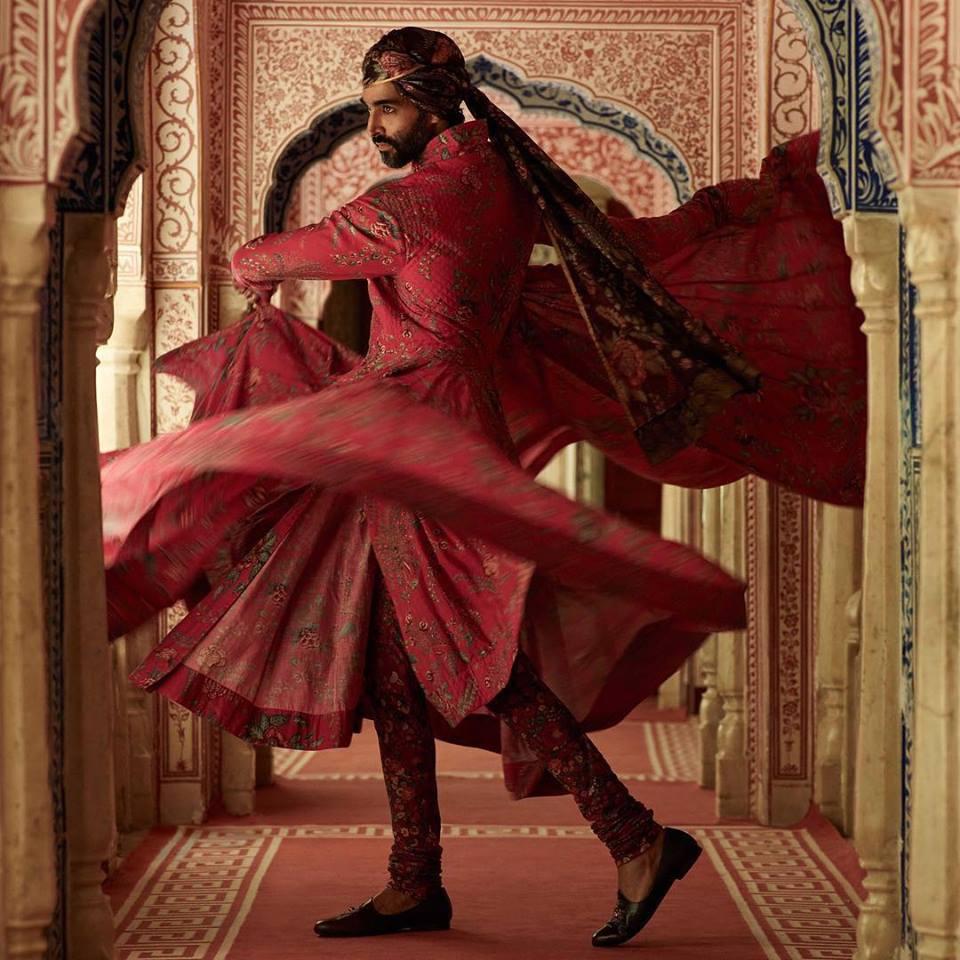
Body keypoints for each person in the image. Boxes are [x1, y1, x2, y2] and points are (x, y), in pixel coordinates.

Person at [100, 27, 866, 947]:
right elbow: (632, 244)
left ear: (429, 104)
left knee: (474, 658)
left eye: (386, 108)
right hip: (443, 427)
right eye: (372, 108)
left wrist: (273, 261)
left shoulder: (411, 204)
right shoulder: (508, 185)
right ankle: (414, 877)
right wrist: (725, 214)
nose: (374, 125)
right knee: (396, 660)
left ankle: (636, 838)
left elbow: (258, 261)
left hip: (416, 436)